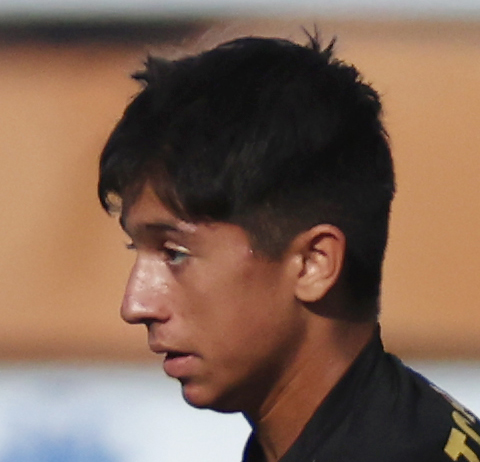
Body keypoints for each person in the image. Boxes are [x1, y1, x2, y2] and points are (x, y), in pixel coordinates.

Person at [98, 33, 480, 462]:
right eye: (137, 249)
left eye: (175, 253)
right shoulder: (397, 420)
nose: (136, 305)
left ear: (312, 264)